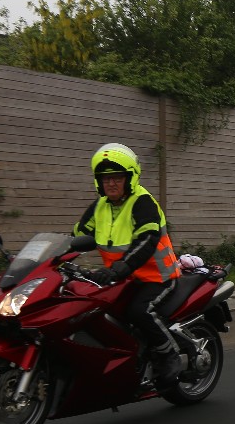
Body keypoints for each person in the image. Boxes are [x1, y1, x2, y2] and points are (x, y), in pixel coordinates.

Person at [73, 143, 183, 385]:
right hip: (122, 278)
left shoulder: (142, 202)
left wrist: (121, 267)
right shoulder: (99, 206)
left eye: (117, 178)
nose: (111, 183)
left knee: (139, 311)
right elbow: (77, 237)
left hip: (157, 277)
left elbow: (147, 240)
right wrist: (54, 259)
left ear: (129, 178)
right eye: (106, 179)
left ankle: (169, 354)